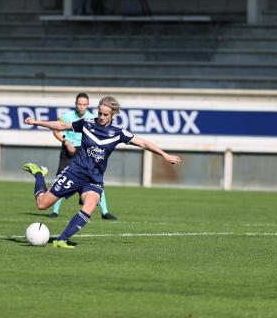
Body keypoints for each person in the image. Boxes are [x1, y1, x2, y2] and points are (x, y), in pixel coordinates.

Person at [23, 96, 181, 248]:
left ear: (113, 115)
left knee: (90, 204)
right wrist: (37, 122)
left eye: (105, 114)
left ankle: (61, 240)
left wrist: (164, 154)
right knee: (42, 204)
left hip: (94, 178)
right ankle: (38, 173)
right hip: (75, 172)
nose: (101, 117)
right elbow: (61, 126)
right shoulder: (87, 124)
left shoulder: (118, 133)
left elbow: (143, 142)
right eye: (100, 113)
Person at [51, 93, 117, 220]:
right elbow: (56, 130)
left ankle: (105, 212)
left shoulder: (93, 118)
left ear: (87, 105)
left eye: (84, 104)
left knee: (95, 181)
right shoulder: (66, 116)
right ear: (75, 104)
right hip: (67, 150)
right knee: (61, 179)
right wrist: (65, 141)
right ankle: (54, 211)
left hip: (84, 152)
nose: (81, 107)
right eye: (79, 104)